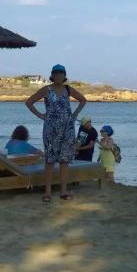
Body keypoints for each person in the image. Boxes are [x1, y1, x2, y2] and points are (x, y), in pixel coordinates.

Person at [25, 64, 87, 203]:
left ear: (64, 76)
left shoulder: (68, 89)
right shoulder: (46, 90)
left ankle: (63, 191)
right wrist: (41, 115)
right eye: (56, 73)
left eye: (60, 73)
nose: (58, 75)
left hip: (67, 129)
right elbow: (29, 102)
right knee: (50, 161)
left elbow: (83, 100)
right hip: (51, 130)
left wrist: (75, 114)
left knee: (65, 161)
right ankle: (47, 192)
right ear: (52, 75)